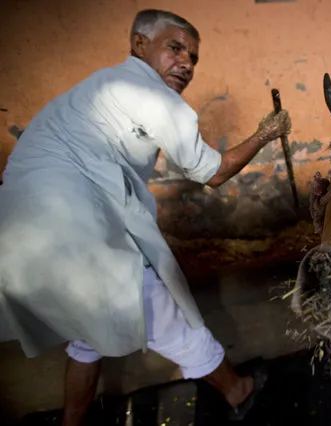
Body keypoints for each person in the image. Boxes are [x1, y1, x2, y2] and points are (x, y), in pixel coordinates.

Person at [0, 9, 291, 425]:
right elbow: (213, 172)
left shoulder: (99, 86)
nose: (187, 63)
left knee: (87, 335)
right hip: (72, 229)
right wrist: (266, 133)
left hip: (24, 227)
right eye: (176, 48)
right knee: (168, 314)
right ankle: (238, 391)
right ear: (140, 44)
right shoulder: (149, 93)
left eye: (193, 57)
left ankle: (72, 421)